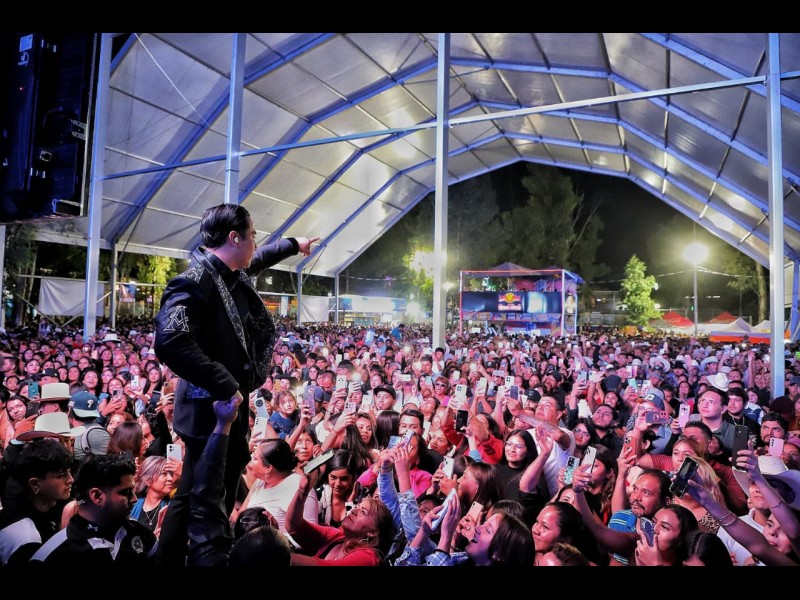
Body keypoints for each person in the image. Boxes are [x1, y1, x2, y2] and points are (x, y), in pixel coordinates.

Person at [154, 202, 316, 565]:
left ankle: (191, 554)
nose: (256, 242)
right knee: (202, 494)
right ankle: (194, 557)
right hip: (210, 408)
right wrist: (225, 383)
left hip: (228, 404)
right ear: (234, 238)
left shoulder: (230, 273)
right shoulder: (194, 281)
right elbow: (170, 340)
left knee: (203, 489)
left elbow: (260, 258)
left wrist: (294, 244)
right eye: (252, 235)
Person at [30, 453, 157, 566]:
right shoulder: (54, 556)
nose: (134, 499)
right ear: (97, 496)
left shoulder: (141, 534)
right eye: (126, 492)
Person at [0, 437, 74, 565]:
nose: (70, 479)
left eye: (69, 472)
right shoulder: (26, 537)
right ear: (35, 484)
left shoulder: (47, 506)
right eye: (61, 475)